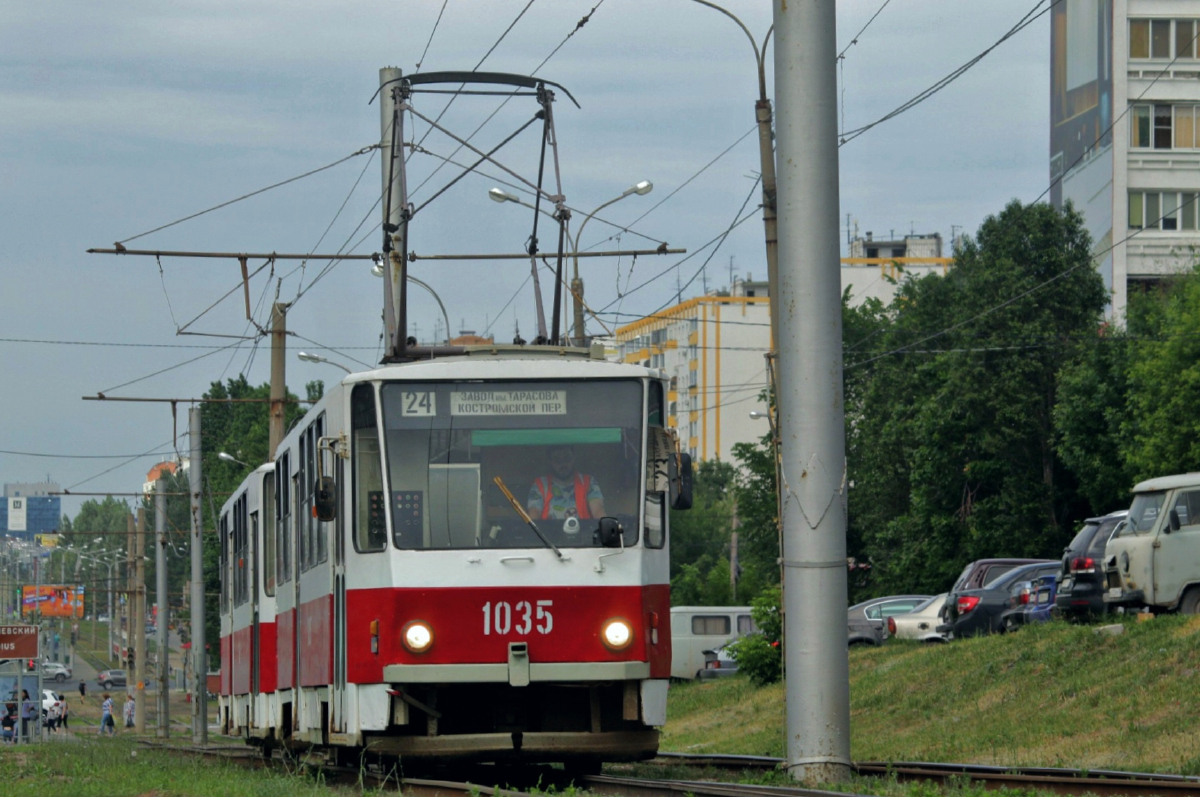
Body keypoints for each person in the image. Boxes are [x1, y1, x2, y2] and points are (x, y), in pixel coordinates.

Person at [526, 445, 606, 522]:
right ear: (550, 461)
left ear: (574, 458)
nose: (563, 464)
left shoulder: (588, 481)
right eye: (557, 459)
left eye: (567, 458)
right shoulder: (540, 484)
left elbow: (598, 510)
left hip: (583, 534)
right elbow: (534, 513)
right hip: (546, 535)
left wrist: (606, 529)